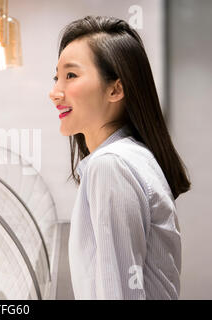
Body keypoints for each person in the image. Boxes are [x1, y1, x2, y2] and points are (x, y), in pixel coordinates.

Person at [49, 16, 191, 299]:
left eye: (71, 75)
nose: (55, 93)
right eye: (57, 77)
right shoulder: (129, 156)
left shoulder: (111, 165)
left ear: (115, 89)